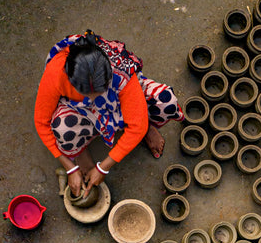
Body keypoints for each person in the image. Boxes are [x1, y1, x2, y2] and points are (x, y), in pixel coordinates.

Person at [34, 30, 183, 199]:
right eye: (86, 93)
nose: (93, 98)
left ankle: (146, 125)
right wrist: (69, 167)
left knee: (165, 102)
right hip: (81, 111)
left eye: (98, 92)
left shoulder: (120, 71)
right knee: (62, 129)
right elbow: (41, 122)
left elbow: (136, 126)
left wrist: (103, 167)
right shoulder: (57, 72)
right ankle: (79, 152)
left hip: (117, 102)